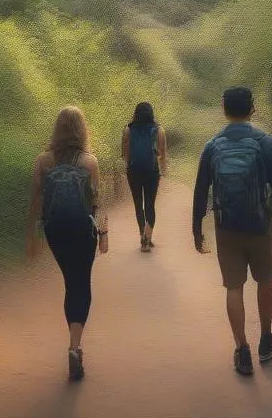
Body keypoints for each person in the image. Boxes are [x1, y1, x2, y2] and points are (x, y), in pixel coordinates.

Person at [192, 86, 272, 377]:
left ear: (224, 108)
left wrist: (197, 230)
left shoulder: (212, 146)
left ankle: (242, 350)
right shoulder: (266, 144)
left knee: (234, 287)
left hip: (227, 228)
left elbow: (200, 191)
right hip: (260, 225)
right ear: (252, 108)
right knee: (264, 281)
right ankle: (266, 339)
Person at [26, 106, 109, 381]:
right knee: (81, 283)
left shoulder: (43, 160)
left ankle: (75, 344)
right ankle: (75, 346)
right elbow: (96, 203)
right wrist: (103, 236)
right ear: (82, 129)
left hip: (55, 230)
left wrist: (33, 237)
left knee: (69, 283)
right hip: (82, 230)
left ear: (57, 129)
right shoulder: (90, 162)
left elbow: (36, 201)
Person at [121, 102, 168, 251]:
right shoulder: (159, 129)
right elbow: (162, 153)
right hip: (151, 171)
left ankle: (143, 234)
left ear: (136, 113)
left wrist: (127, 168)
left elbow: (125, 154)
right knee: (150, 204)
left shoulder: (128, 129)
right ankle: (147, 239)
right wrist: (163, 170)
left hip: (133, 171)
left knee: (137, 203)